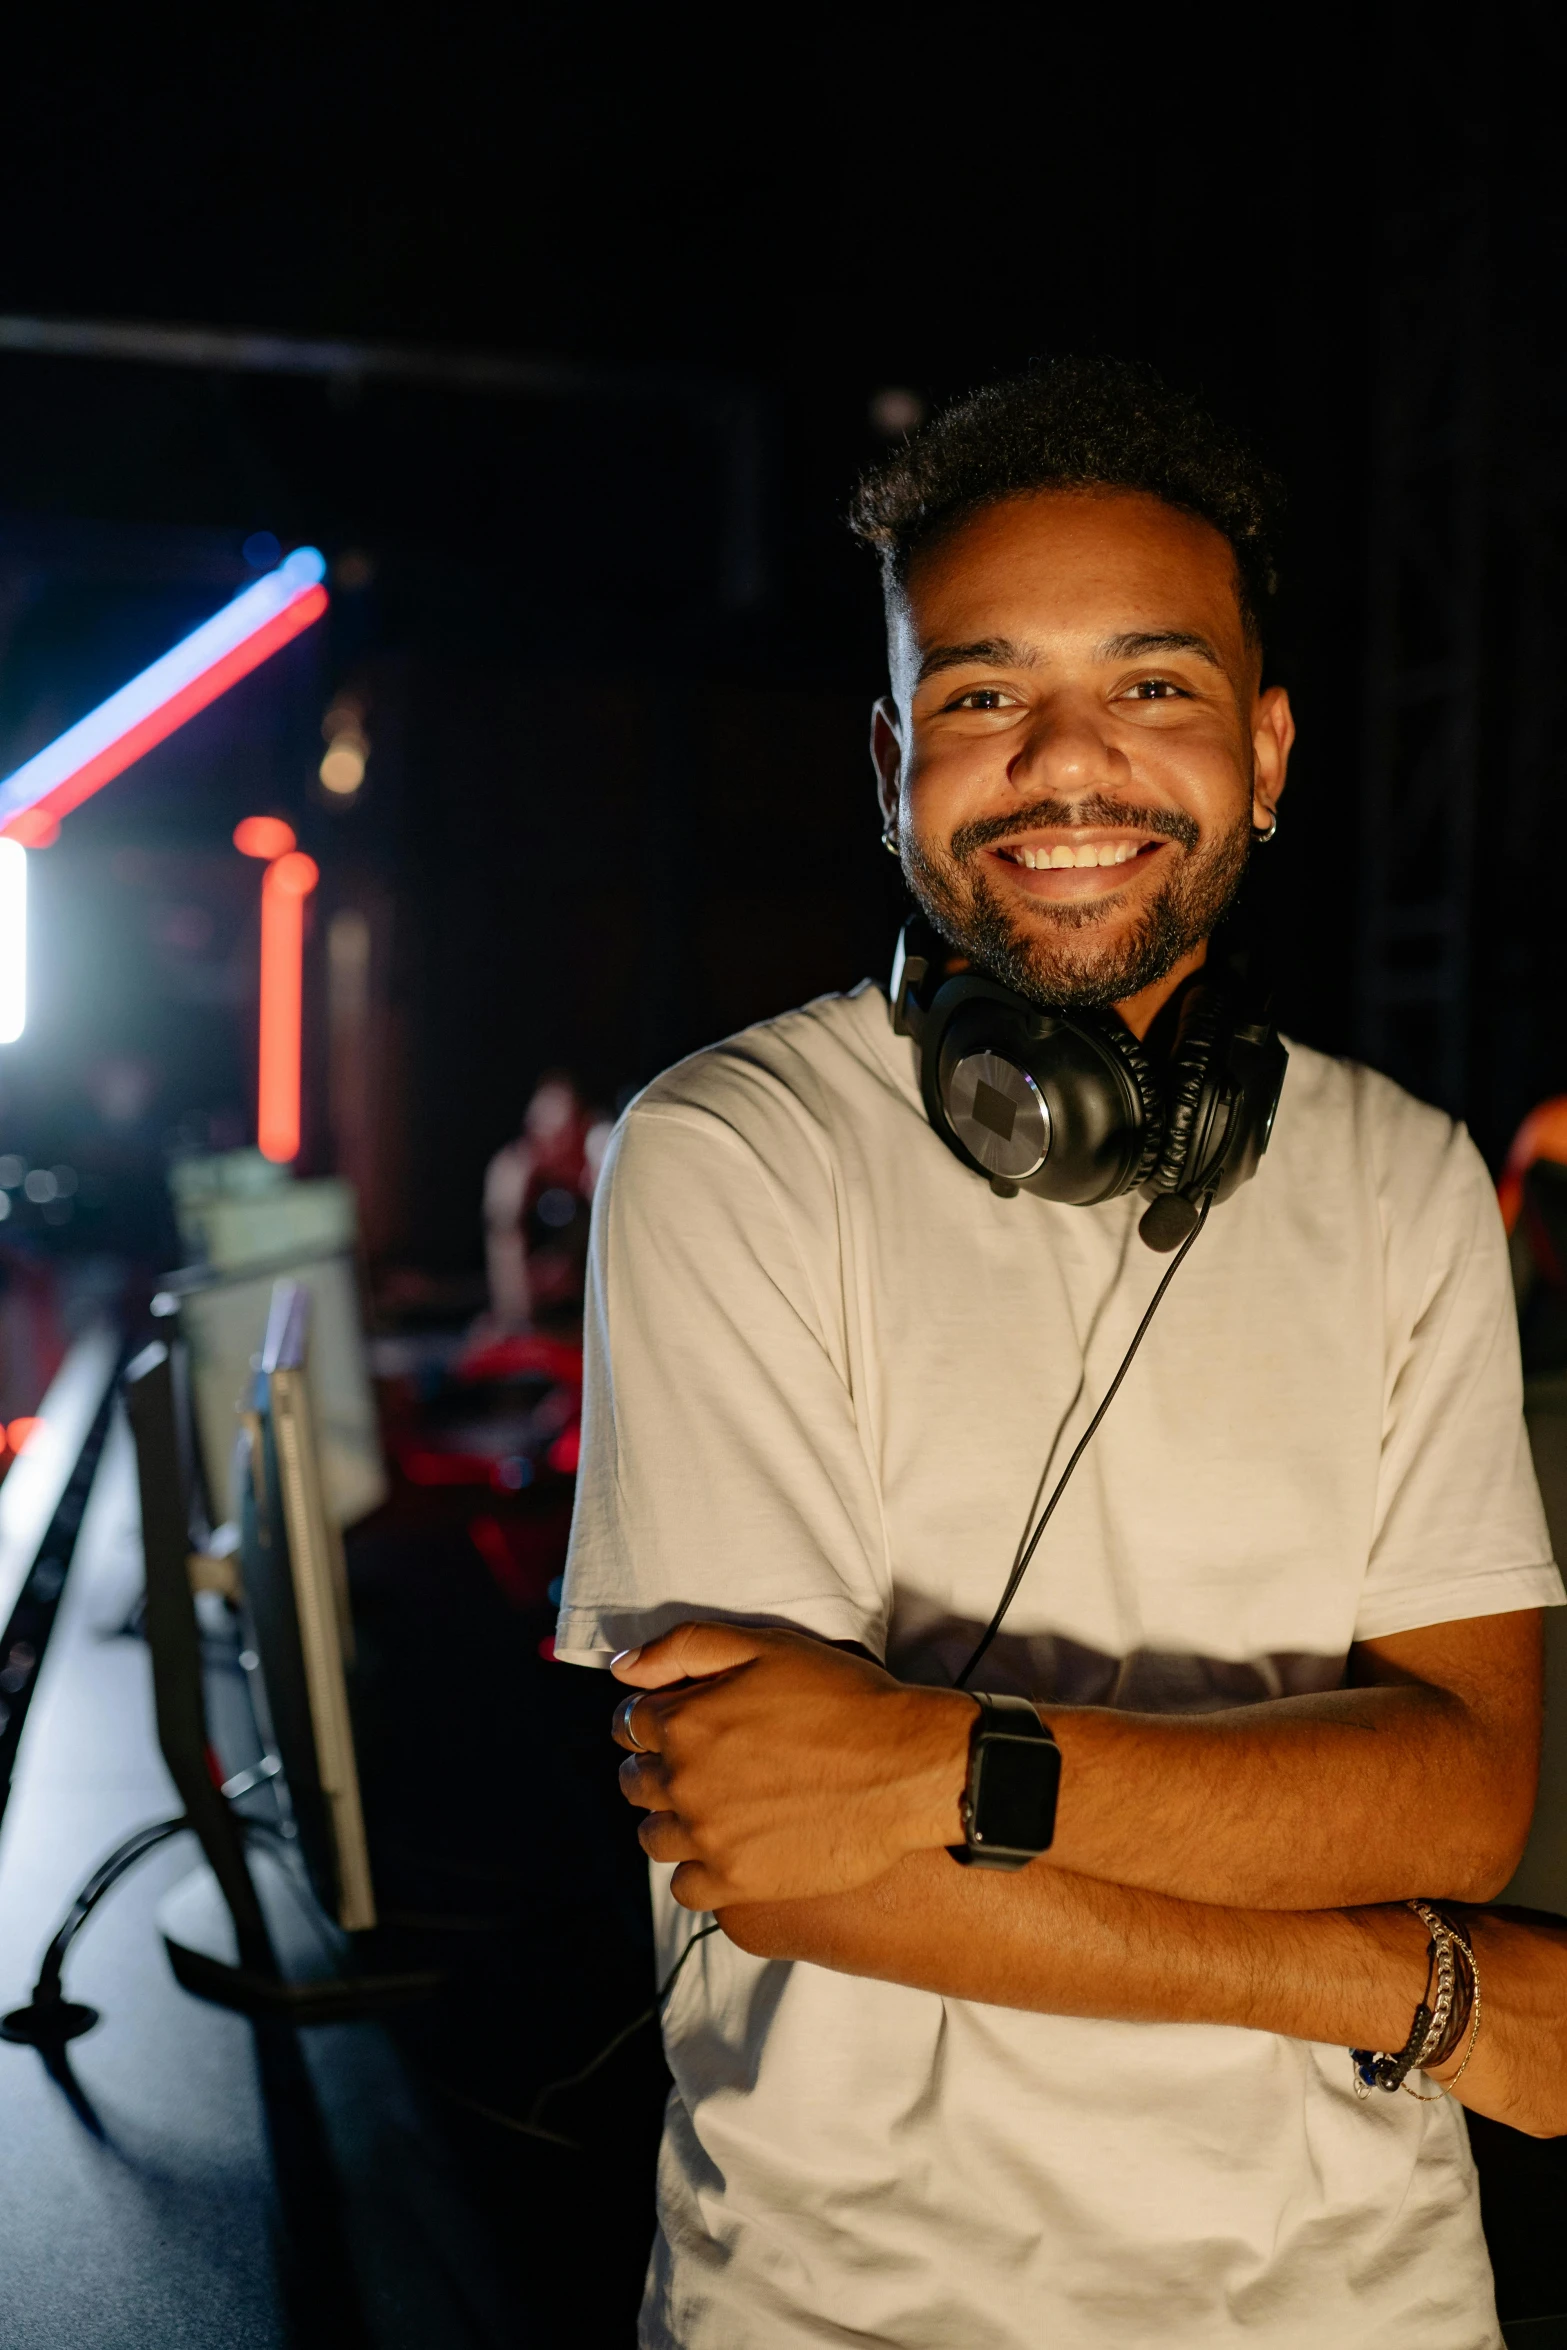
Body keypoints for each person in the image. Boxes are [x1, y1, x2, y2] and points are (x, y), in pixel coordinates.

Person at [555, 360, 1567, 2349]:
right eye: (986, 692)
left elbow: (1460, 1795)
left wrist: (926, 1763)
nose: (1069, 763)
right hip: (850, 2309)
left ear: (1267, 752)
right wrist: (1414, 1989)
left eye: (1155, 687)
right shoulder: (727, 1153)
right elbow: (784, 1854)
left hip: (1362, 2304)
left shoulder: (1406, 1178)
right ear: (889, 758)